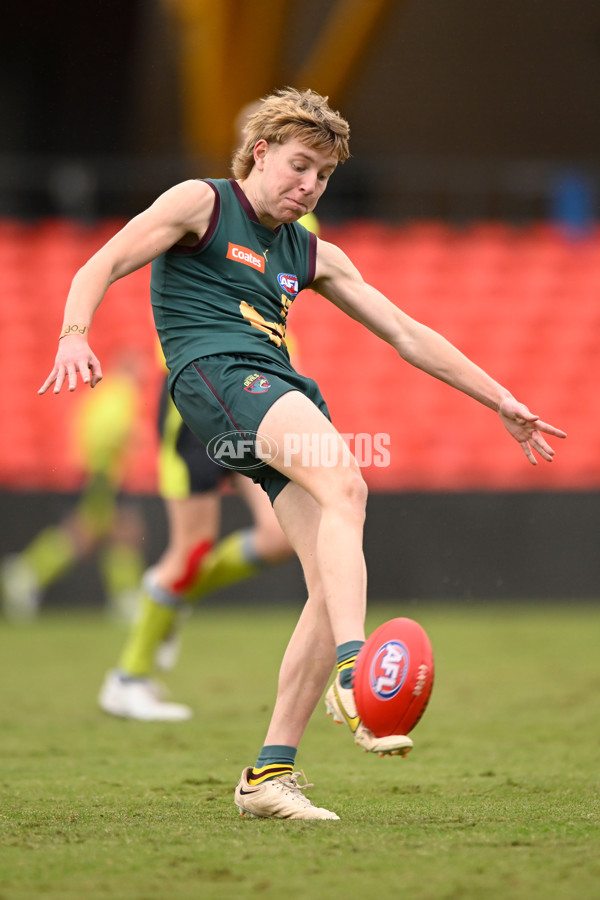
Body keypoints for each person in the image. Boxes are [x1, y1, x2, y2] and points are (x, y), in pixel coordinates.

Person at [39, 87, 566, 820]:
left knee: (328, 576)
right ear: (260, 154)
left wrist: (499, 397)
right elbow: (103, 260)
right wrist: (74, 332)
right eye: (299, 166)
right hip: (216, 376)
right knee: (348, 487)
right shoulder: (202, 203)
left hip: (278, 386)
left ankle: (268, 775)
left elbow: (407, 332)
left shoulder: (312, 250)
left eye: (322, 175)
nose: (309, 185)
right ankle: (355, 671)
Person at [1, 359, 146, 622]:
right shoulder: (120, 394)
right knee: (104, 533)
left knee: (99, 534)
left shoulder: (106, 393)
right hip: (103, 474)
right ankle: (27, 573)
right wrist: (129, 437)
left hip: (99, 473)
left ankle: (27, 574)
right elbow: (105, 432)